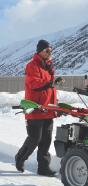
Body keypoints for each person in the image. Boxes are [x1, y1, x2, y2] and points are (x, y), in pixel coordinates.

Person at [15, 39, 64, 176]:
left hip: (47, 109)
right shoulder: (32, 66)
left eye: (51, 50)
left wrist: (55, 106)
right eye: (47, 50)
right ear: (40, 51)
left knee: (46, 140)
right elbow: (34, 83)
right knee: (34, 139)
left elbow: (51, 89)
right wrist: (50, 82)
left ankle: (43, 167)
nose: (50, 52)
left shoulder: (48, 67)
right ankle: (20, 158)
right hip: (35, 108)